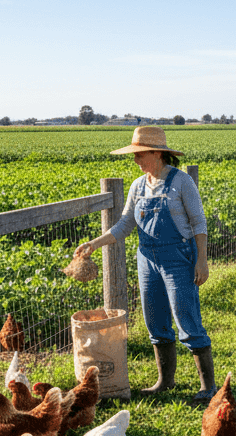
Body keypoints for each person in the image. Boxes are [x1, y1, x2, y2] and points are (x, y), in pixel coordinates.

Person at [74, 126, 215, 401]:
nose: (136, 160)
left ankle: (207, 386)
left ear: (157, 152)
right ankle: (165, 381)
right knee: (155, 320)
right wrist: (94, 243)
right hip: (147, 259)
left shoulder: (182, 182)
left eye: (140, 155)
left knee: (186, 318)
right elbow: (126, 223)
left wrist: (202, 261)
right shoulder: (138, 186)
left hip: (179, 258)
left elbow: (199, 222)